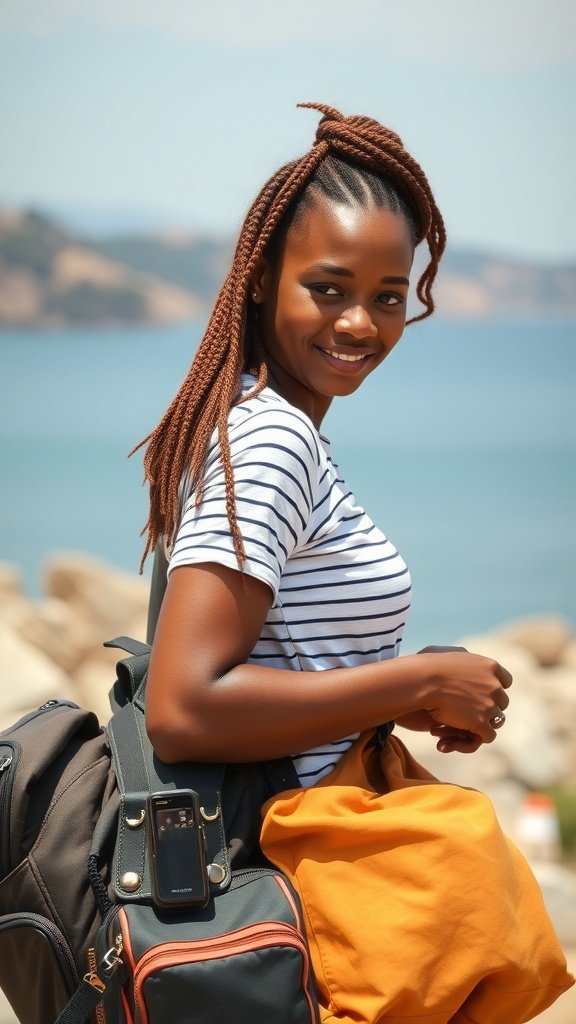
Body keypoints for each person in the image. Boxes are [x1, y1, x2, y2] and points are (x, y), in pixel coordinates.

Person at [133, 103, 573, 1022]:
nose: (360, 323)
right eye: (328, 288)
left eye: (386, 294)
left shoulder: (279, 431)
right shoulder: (270, 444)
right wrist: (415, 675)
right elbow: (185, 707)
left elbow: (281, 663)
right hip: (302, 886)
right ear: (261, 279)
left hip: (317, 863)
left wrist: (407, 694)